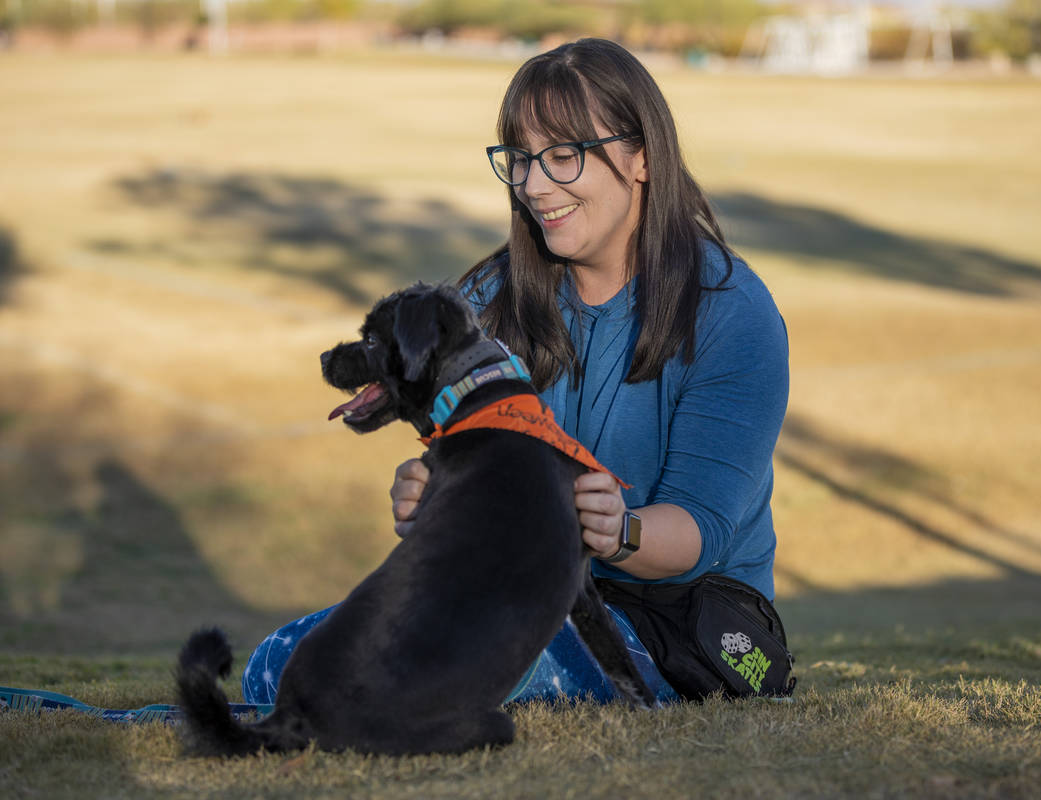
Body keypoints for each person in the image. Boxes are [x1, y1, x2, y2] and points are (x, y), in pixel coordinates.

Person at [242, 38, 791, 707]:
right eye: (523, 159)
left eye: (564, 156)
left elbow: (697, 535)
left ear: (642, 155)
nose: (533, 185)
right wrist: (438, 495)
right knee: (279, 663)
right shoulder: (490, 297)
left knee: (420, 674)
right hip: (529, 593)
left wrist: (620, 529)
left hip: (686, 623)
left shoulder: (733, 313)